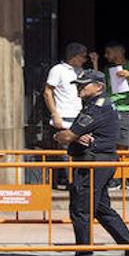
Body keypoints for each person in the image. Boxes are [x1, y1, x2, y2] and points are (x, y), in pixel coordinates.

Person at [52, 68, 129, 256]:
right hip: (100, 163)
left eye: (83, 84)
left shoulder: (96, 107)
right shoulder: (99, 105)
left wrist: (63, 135)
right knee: (102, 209)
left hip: (91, 164)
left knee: (81, 210)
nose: (79, 87)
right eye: (78, 84)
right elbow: (76, 134)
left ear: (98, 87)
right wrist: (75, 135)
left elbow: (68, 136)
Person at [43, 43, 90, 187]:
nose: (84, 60)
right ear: (74, 57)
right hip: (63, 117)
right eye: (83, 56)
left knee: (79, 150)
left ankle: (76, 181)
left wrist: (94, 63)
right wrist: (54, 113)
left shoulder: (80, 71)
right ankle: (64, 182)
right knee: (64, 152)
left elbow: (95, 83)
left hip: (79, 118)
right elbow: (48, 92)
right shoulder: (58, 70)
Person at [101, 41, 129, 150]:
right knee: (108, 144)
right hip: (109, 110)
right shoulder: (107, 70)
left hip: (126, 109)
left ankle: (121, 166)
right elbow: (102, 89)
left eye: (108, 52)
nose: (106, 56)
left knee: (123, 145)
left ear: (118, 51)